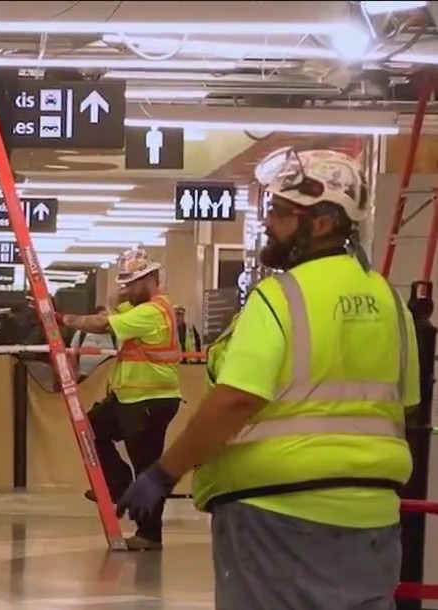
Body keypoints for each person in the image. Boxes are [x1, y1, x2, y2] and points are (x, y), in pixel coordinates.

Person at [116, 148, 418, 609]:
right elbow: (406, 402)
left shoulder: (281, 296)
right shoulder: (390, 301)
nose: (268, 222)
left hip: (276, 514)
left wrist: (164, 472)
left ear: (321, 223)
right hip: (373, 515)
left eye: (279, 212)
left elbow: (237, 398)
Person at [63, 248, 182, 551]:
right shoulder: (142, 308)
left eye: (132, 283)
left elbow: (102, 324)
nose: (126, 289)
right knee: (91, 429)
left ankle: (149, 534)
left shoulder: (151, 312)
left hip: (149, 400)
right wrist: (127, 291)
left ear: (151, 279)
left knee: (146, 467)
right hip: (131, 398)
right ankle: (119, 486)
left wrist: (63, 318)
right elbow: (115, 306)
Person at [71, 305, 116, 381]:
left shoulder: (113, 336)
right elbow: (72, 354)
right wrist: (75, 373)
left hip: (104, 378)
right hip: (83, 376)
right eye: (102, 316)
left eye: (107, 316)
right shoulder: (81, 333)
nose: (105, 319)